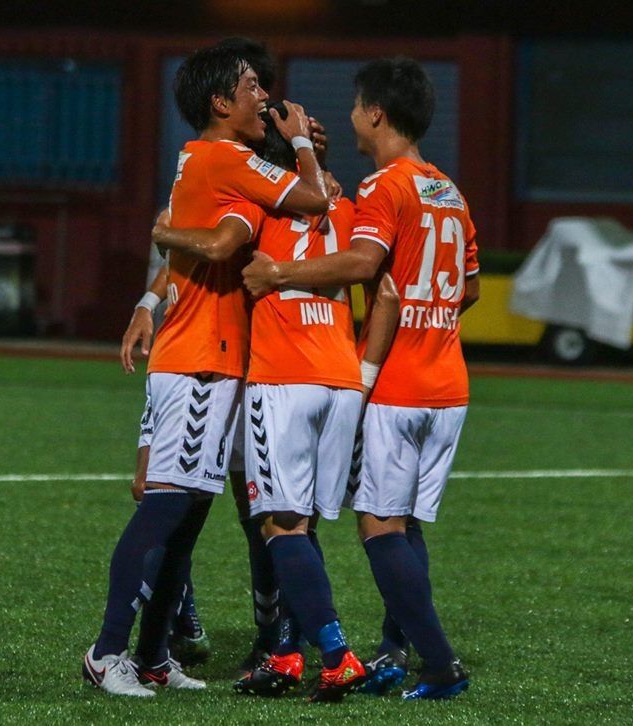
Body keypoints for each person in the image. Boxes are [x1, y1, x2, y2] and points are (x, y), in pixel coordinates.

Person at [83, 43, 329, 698]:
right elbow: (311, 200)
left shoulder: (213, 165)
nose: (266, 97)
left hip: (212, 364)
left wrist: (149, 294)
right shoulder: (224, 158)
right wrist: (301, 143)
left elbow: (210, 242)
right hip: (198, 366)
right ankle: (107, 652)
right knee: (162, 513)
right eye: (252, 87)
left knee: (187, 522)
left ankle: (156, 656)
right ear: (221, 102)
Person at [242, 56, 480, 700]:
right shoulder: (448, 190)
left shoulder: (384, 187)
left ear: (376, 113)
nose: (351, 117)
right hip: (450, 383)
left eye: (354, 107)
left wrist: (278, 276)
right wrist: (432, 317)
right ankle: (395, 653)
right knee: (405, 524)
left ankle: (439, 664)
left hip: (398, 385)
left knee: (378, 527)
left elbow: (362, 262)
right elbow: (471, 287)